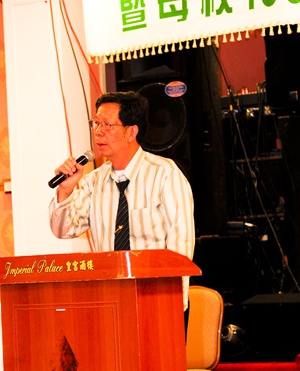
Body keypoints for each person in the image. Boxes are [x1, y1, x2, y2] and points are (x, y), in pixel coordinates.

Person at [49, 90, 195, 317]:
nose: (99, 131)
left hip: (157, 304)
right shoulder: (93, 181)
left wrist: (172, 305)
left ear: (131, 131)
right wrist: (65, 190)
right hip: (110, 304)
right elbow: (64, 230)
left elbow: (181, 246)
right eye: (96, 123)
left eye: (107, 125)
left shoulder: (165, 174)